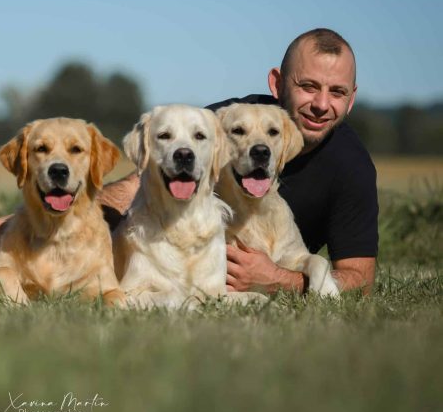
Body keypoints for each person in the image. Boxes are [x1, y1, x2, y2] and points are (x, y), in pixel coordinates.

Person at [101, 28, 378, 294]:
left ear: (351, 99)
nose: (321, 104)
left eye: (337, 92)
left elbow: (360, 279)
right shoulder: (217, 123)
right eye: (308, 86)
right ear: (277, 83)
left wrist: (280, 281)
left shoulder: (353, 166)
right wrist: (90, 229)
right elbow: (138, 185)